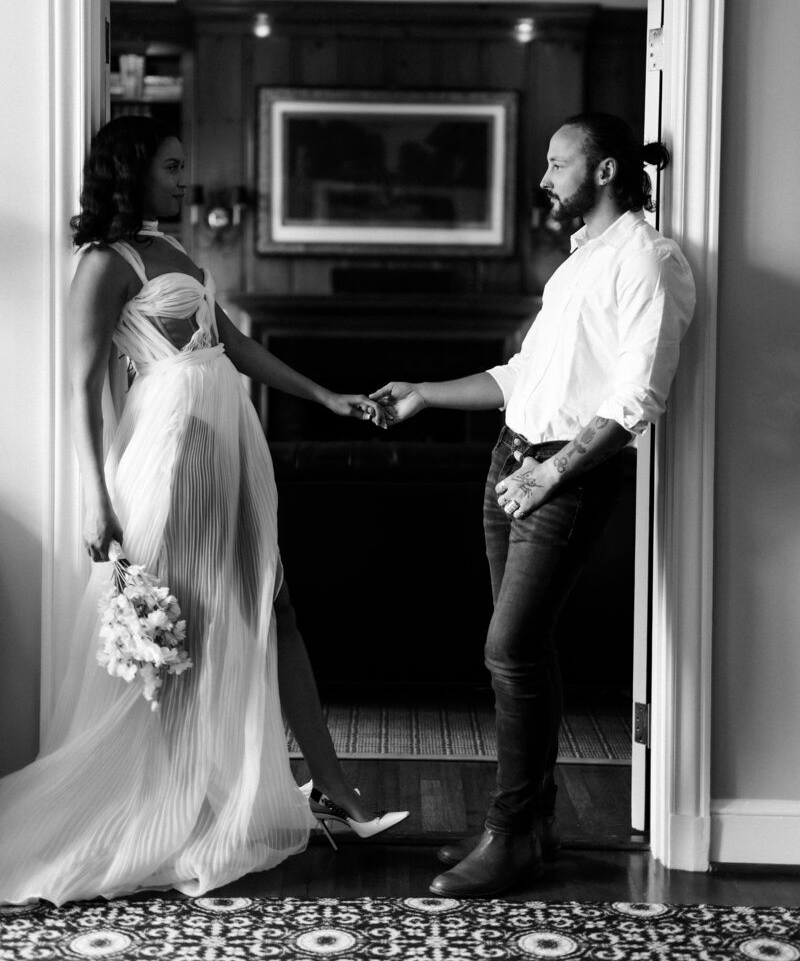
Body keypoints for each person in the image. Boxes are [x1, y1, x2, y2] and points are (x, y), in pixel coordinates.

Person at [0, 115, 407, 906]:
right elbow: (81, 384)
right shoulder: (104, 263)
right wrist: (97, 497)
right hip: (168, 453)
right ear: (132, 171)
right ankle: (181, 807)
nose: (187, 179)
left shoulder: (176, 253)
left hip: (229, 447)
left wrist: (325, 396)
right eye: (173, 166)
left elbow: (233, 343)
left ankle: (332, 788)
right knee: (186, 634)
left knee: (274, 609)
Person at [371, 112, 696, 898]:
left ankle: (511, 835)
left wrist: (551, 477)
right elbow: (521, 377)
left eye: (558, 163)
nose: (545, 178)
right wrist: (424, 394)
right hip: (507, 462)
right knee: (523, 650)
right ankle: (536, 824)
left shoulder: (650, 262)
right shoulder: (577, 264)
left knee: (508, 647)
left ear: (607, 170)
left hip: (561, 476)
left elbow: (636, 400)